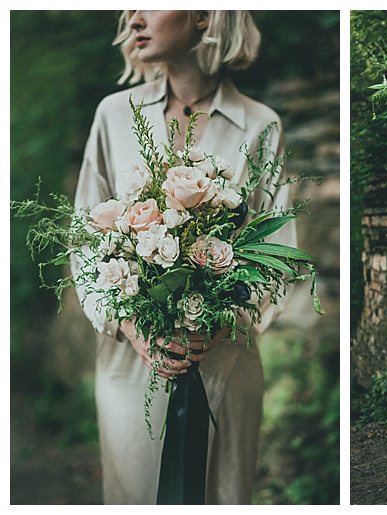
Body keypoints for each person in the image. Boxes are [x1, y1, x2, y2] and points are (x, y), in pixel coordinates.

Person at [71, 11, 295, 504]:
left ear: (201, 14)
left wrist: (214, 327)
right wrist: (130, 327)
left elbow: (281, 258)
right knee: (135, 494)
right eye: (127, 8)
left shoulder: (261, 126)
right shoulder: (113, 114)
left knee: (217, 494)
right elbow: (82, 240)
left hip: (222, 360)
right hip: (130, 363)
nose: (132, 17)